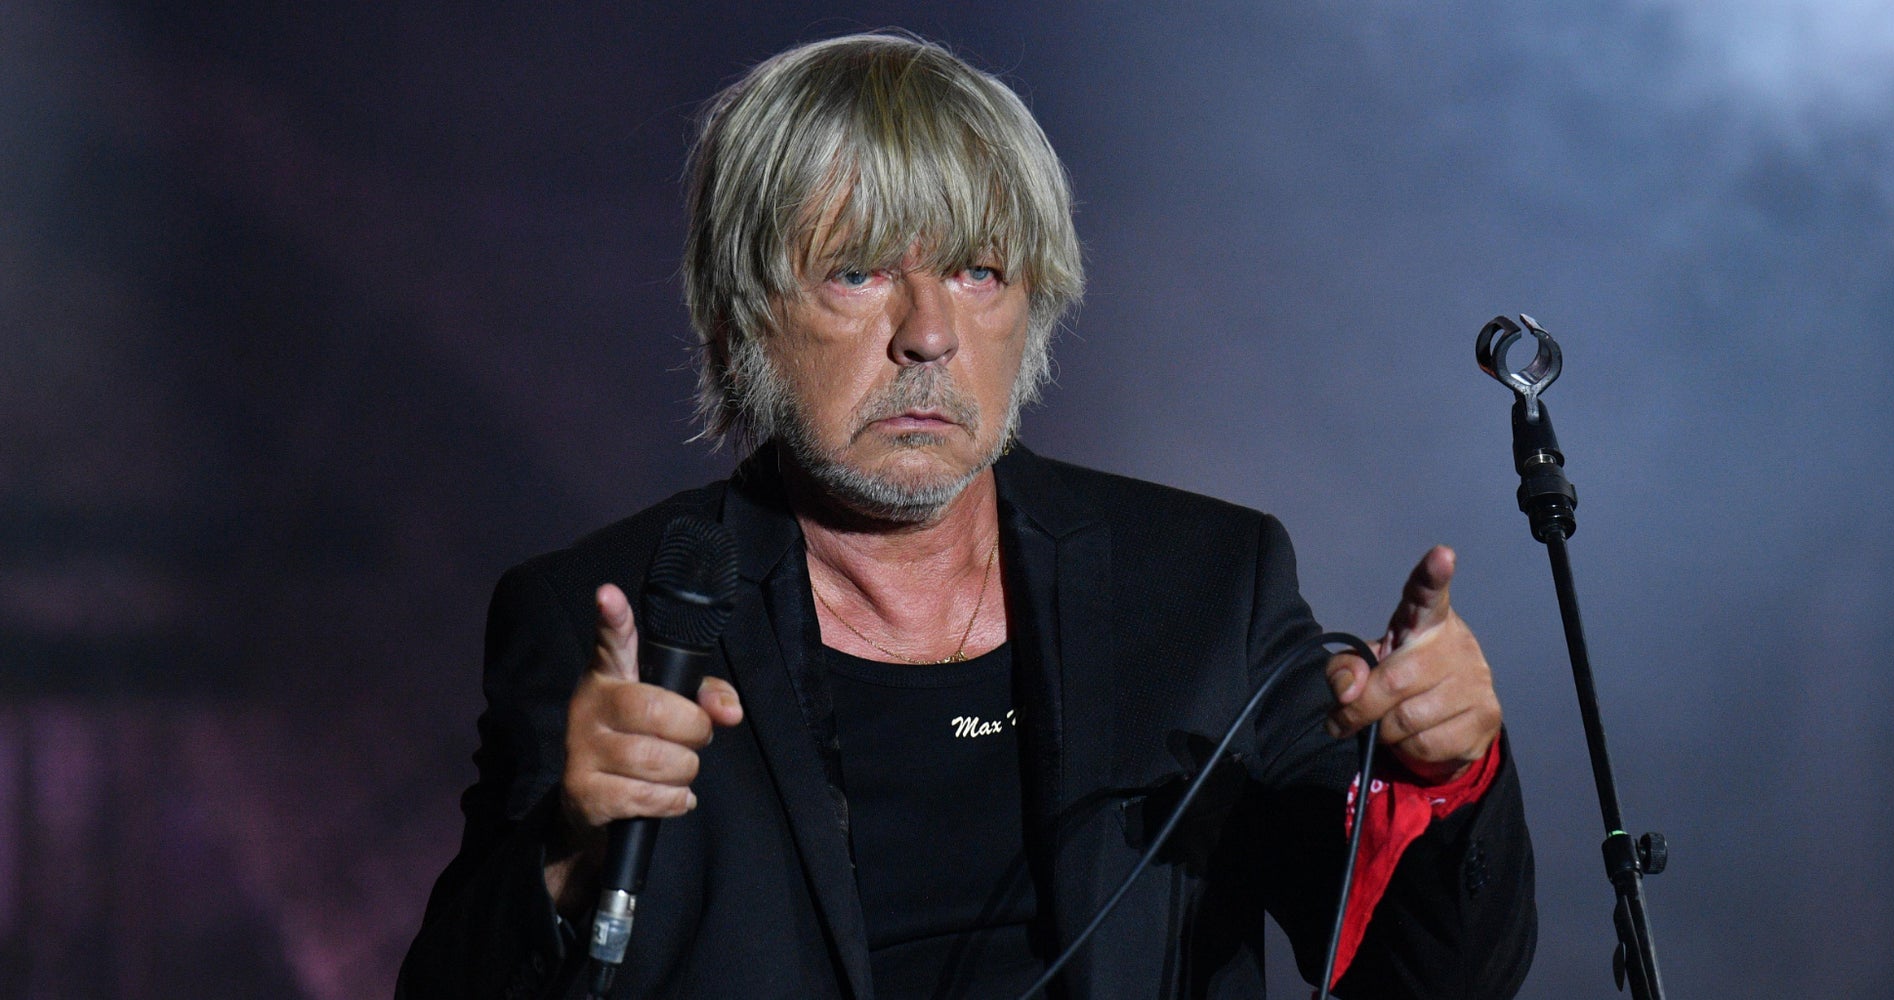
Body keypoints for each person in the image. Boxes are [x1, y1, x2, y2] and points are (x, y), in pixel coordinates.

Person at [399, 32, 1534, 1000]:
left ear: (1033, 303)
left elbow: (1429, 978)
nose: (928, 333)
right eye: (856, 273)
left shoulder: (1202, 583)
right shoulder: (616, 618)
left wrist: (1444, 777)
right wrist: (564, 857)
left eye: (979, 271)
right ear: (742, 316)